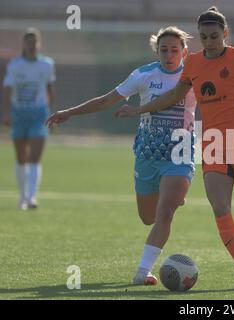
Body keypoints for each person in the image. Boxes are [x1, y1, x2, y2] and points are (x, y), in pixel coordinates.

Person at [115, 7, 234, 290]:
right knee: (220, 208)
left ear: (225, 34)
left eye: (214, 36)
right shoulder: (194, 64)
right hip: (212, 144)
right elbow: (172, 97)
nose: (209, 42)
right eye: (204, 37)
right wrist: (139, 110)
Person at [45, 26, 197, 285]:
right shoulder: (144, 75)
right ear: (156, 51)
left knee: (165, 213)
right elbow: (107, 100)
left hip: (180, 152)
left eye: (174, 49)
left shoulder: (194, 75)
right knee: (147, 217)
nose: (169, 54)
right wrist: (70, 112)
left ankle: (142, 272)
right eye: (164, 50)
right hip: (148, 153)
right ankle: (170, 194)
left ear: (184, 51)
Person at [1, 28, 56, 210]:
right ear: (23, 44)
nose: (31, 46)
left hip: (38, 114)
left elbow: (50, 90)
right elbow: (8, 90)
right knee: (21, 157)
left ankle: (32, 197)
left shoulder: (47, 65)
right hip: (19, 114)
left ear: (39, 44)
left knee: (34, 157)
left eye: (34, 42)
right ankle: (22, 196)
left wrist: (53, 114)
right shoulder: (15, 65)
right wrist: (7, 113)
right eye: (28, 42)